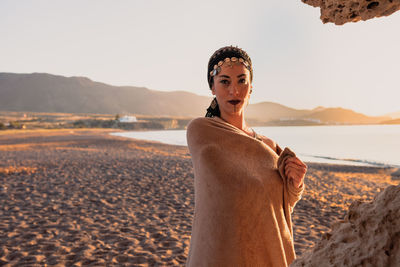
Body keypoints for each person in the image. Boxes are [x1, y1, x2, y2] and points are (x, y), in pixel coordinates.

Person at [186, 46, 307, 267]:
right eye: (224, 81)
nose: (234, 90)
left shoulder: (269, 147)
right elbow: (231, 189)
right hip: (221, 251)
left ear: (251, 88)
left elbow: (278, 205)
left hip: (266, 248)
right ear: (212, 87)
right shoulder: (202, 132)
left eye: (242, 81)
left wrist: (295, 184)